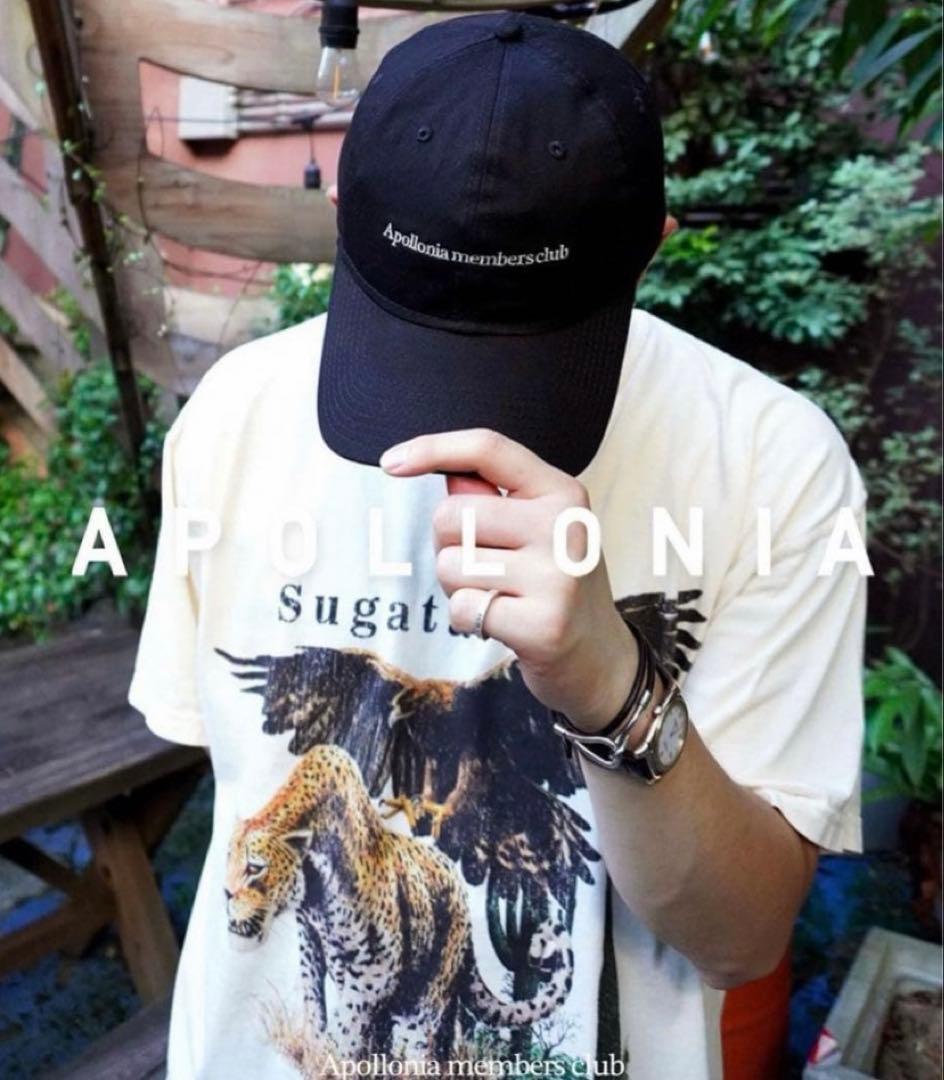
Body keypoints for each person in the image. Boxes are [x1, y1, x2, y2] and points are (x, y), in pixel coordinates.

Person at [128, 11, 868, 1079]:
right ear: (339, 212)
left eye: (524, 339)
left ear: (653, 244)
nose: (460, 422)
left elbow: (741, 941)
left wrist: (609, 684)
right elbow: (243, 790)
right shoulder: (231, 418)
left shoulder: (774, 464)